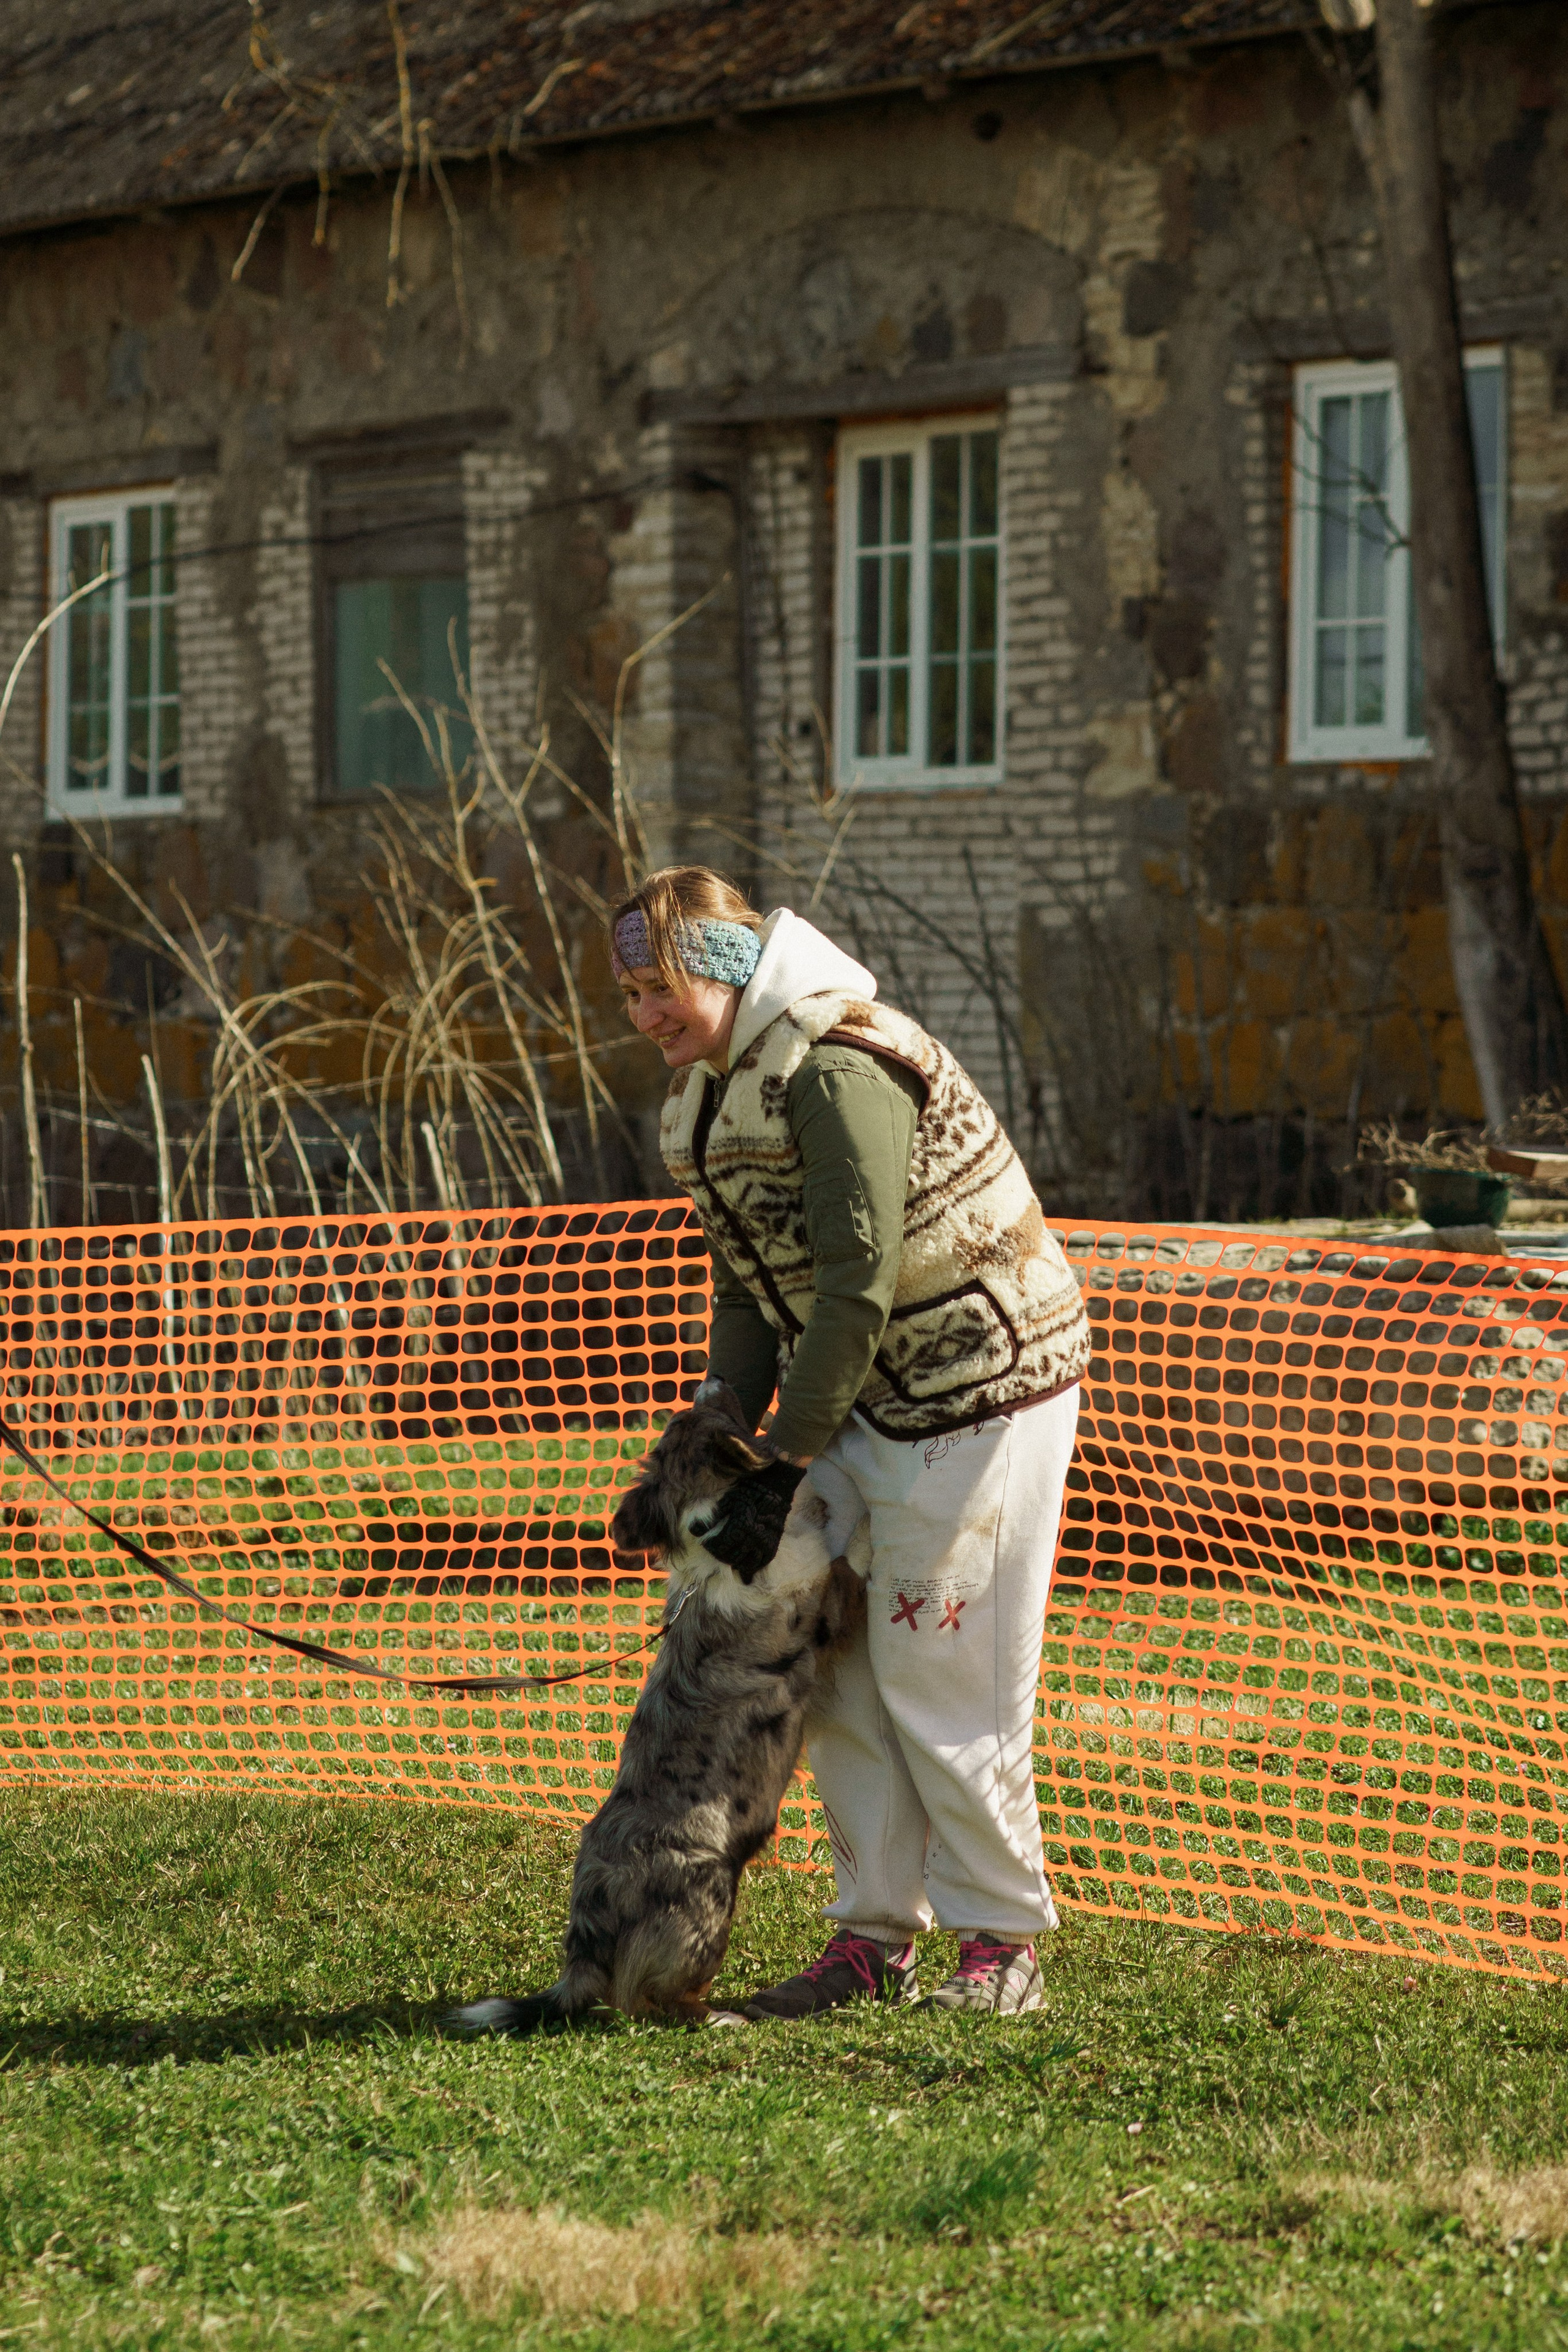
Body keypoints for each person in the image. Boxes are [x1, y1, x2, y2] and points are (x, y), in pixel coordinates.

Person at [610, 865, 1090, 2017]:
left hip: (978, 1389)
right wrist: (727, 1411)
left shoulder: (837, 1066)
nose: (643, 1015)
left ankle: (1001, 1944)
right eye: (628, 993)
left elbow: (855, 1289)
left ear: (727, 972)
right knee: (844, 1682)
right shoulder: (710, 1092)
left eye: (662, 986)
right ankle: (874, 1940)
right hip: (868, 1397)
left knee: (944, 1669)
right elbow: (747, 1278)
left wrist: (782, 1458)